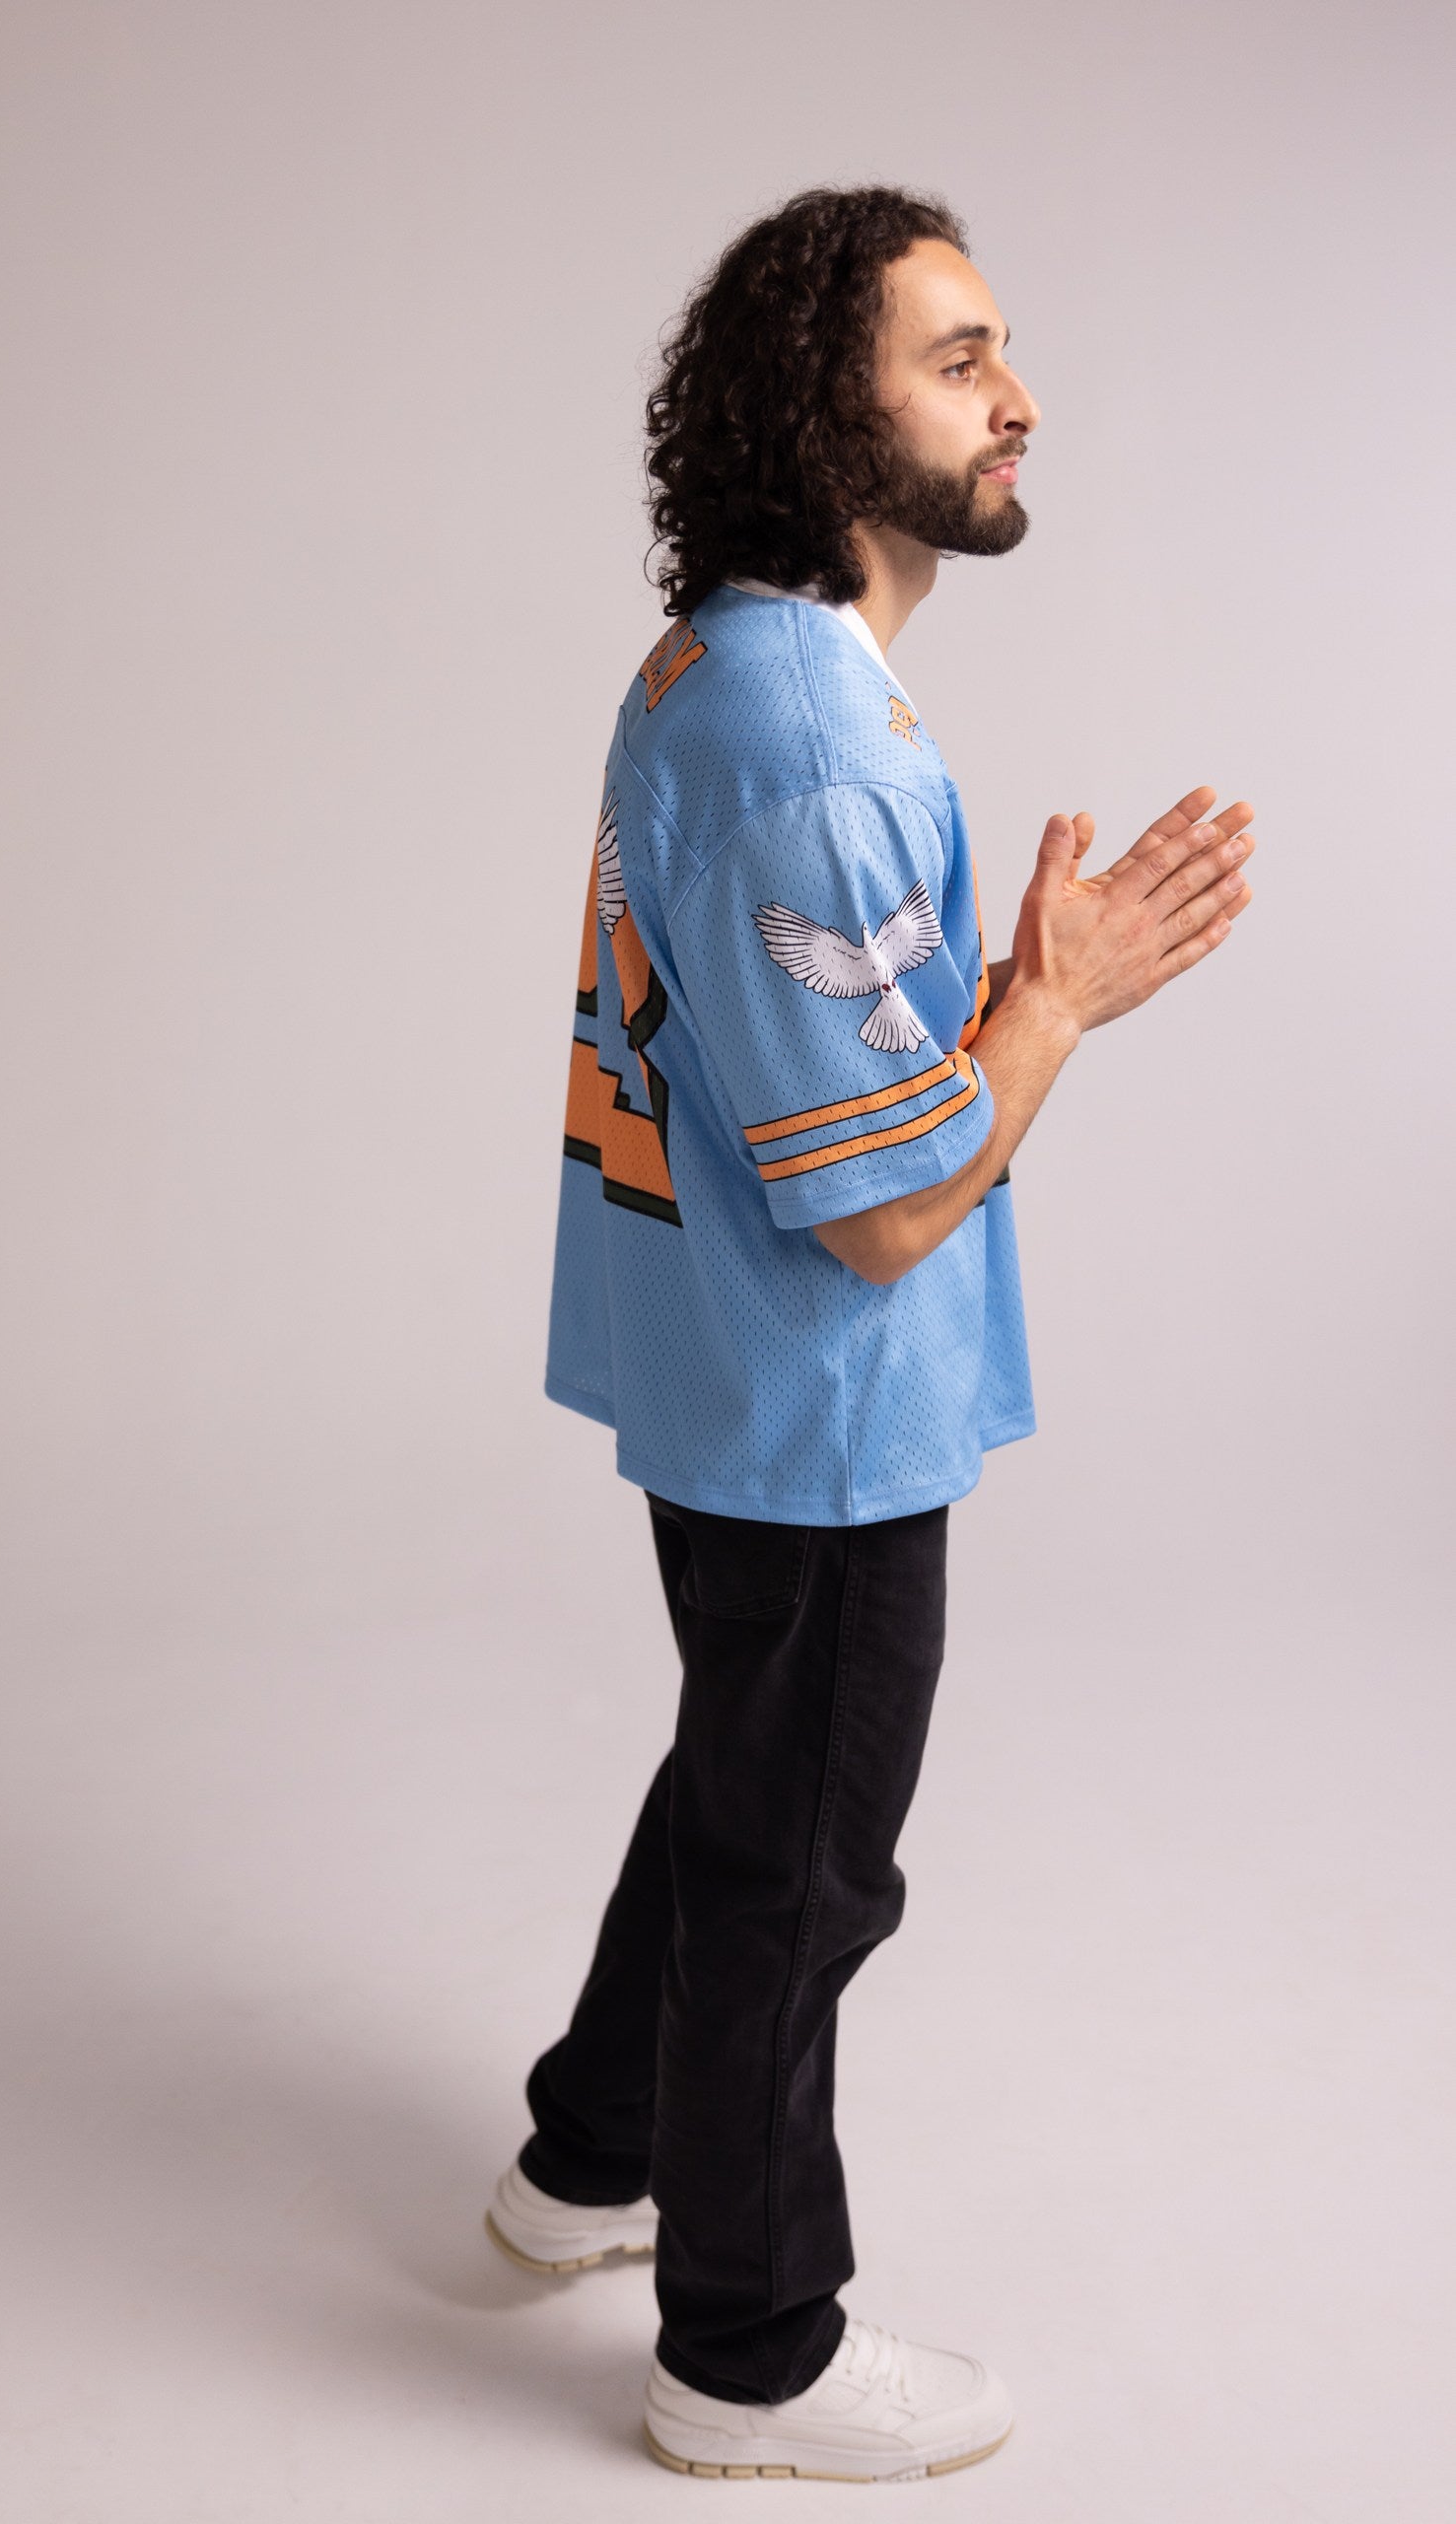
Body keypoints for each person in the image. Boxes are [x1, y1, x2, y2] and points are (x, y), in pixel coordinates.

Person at [484, 184, 1256, 2484]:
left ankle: (578, 2161)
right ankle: (746, 2352)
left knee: (737, 1782)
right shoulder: (806, 740)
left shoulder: (718, 662)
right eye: (955, 357)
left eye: (999, 349)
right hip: (811, 1411)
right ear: (826, 407)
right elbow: (889, 1197)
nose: (1015, 397)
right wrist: (1052, 1006)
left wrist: (1009, 1000)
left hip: (723, 1383)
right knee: (802, 1864)